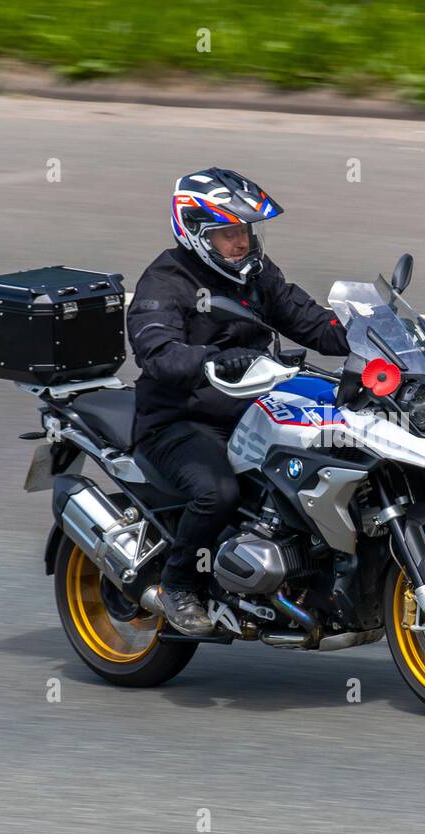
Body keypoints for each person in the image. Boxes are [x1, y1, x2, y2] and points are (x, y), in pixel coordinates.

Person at [126, 167, 349, 635]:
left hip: (251, 408)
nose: (241, 243)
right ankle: (178, 585)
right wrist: (212, 360)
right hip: (180, 420)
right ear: (197, 233)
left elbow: (306, 319)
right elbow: (158, 353)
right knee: (217, 492)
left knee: (335, 450)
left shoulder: (256, 275)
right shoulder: (164, 284)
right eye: (228, 233)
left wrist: (367, 334)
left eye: (245, 231)